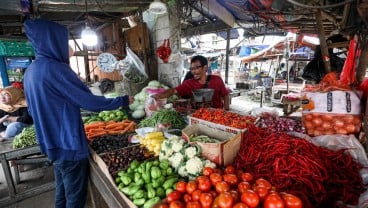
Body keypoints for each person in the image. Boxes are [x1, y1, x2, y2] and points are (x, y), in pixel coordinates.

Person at [24, 18, 133, 208]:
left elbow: (33, 110)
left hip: (52, 144)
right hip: (68, 144)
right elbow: (89, 102)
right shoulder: (57, 69)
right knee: (75, 198)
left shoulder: (31, 70)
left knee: (63, 191)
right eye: (61, 41)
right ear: (52, 41)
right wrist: (122, 100)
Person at [154, 55, 229, 110]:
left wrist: (226, 110)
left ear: (205, 68)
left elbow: (225, 95)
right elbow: (173, 90)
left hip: (218, 115)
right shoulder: (189, 83)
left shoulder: (217, 80)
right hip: (200, 116)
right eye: (191, 69)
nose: (193, 71)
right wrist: (159, 96)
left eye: (196, 68)